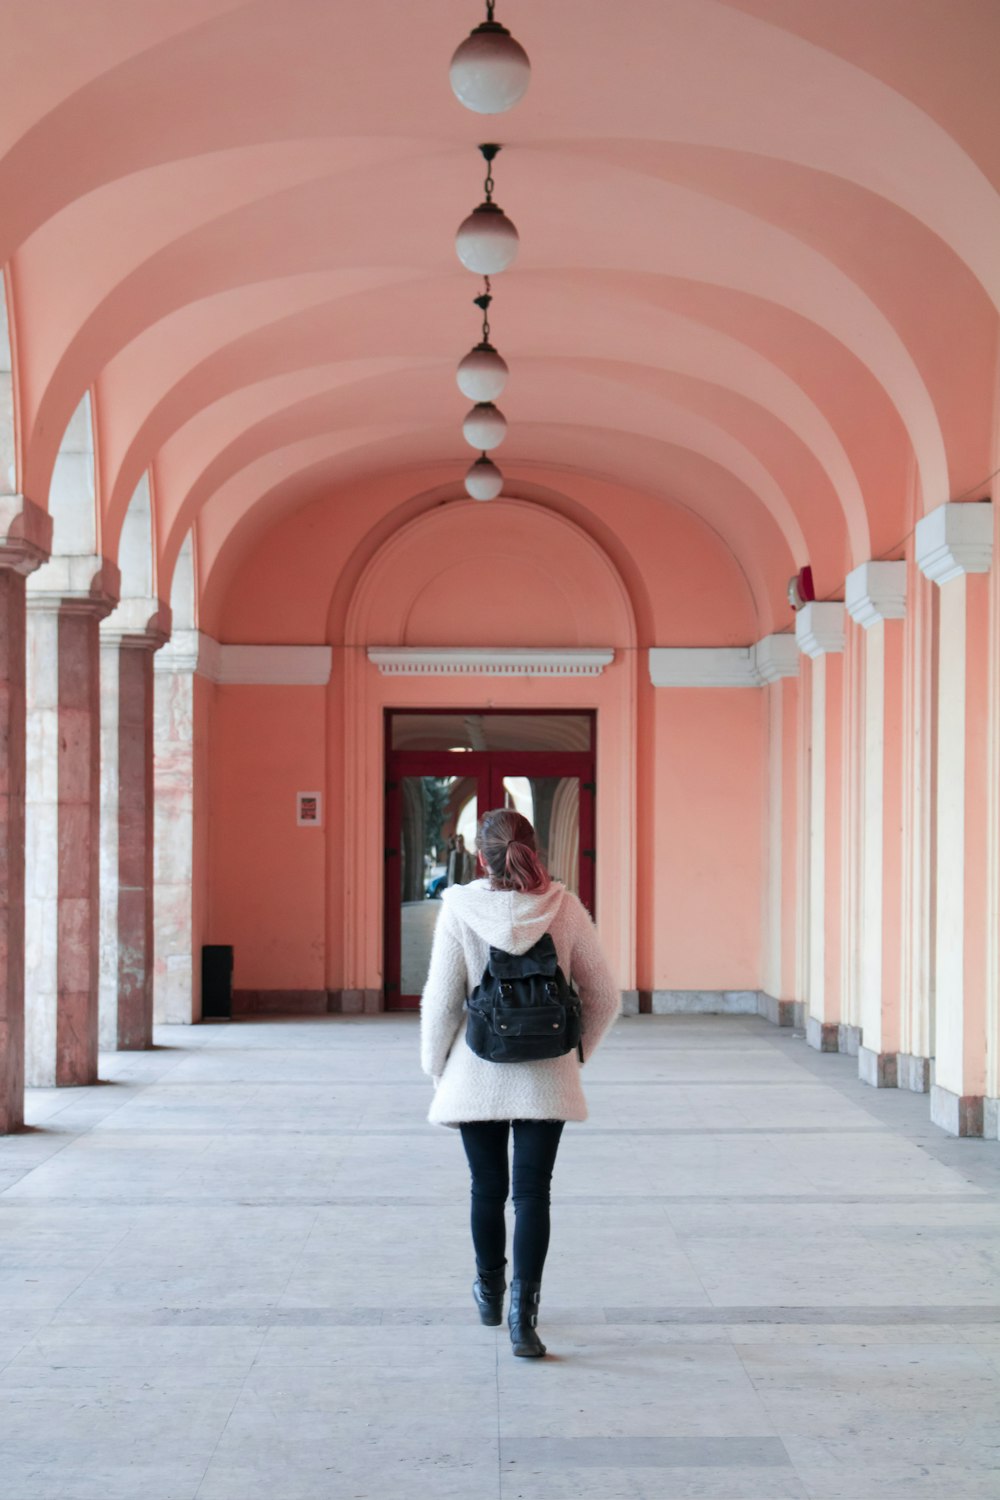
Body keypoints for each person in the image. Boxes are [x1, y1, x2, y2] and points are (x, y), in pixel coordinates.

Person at [419, 807, 619, 1358]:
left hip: (476, 1071)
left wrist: (438, 1069)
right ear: (534, 850)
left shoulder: (460, 909)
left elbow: (440, 1001)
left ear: (480, 857)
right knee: (533, 1195)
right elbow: (604, 997)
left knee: (487, 1188)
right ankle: (522, 1320)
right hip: (546, 1075)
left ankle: (488, 1291)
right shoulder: (565, 908)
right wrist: (573, 1056)